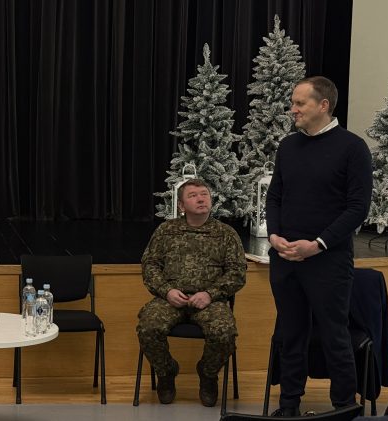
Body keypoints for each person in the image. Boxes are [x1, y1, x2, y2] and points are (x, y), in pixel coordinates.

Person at [266, 76, 372, 417]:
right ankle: (288, 406)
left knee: (333, 335)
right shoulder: (288, 146)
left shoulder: (353, 148)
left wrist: (318, 245)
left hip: (328, 260)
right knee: (291, 334)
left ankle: (344, 406)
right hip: (285, 257)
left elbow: (357, 208)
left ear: (323, 105)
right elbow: (275, 197)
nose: (293, 109)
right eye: (293, 103)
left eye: (300, 103)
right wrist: (274, 236)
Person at [137, 179, 246, 407]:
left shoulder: (225, 234)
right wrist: (167, 291)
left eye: (204, 194)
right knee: (148, 327)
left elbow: (237, 273)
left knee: (225, 333)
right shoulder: (166, 231)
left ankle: (207, 375)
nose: (200, 198)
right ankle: (166, 373)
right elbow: (150, 265)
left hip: (209, 301)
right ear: (181, 206)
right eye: (193, 195)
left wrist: (210, 293)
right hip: (170, 299)